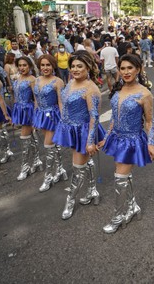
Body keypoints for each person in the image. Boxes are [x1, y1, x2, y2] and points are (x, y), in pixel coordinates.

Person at [98, 54, 154, 234]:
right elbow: (114, 119)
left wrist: (151, 142)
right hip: (117, 138)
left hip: (132, 140)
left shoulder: (145, 93)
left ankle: (118, 217)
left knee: (119, 178)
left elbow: (149, 121)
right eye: (122, 68)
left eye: (130, 68)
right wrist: (107, 137)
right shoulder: (117, 90)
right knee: (123, 177)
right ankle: (132, 207)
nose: (125, 72)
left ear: (138, 69)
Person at [52, 51, 106, 220]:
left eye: (79, 66)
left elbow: (94, 117)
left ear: (88, 67)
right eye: (73, 66)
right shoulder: (70, 82)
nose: (75, 69)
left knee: (77, 168)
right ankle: (92, 190)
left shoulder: (91, 89)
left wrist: (90, 142)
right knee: (83, 163)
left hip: (84, 132)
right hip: (71, 129)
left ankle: (70, 200)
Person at [33, 54, 68, 192]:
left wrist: (64, 119)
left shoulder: (58, 81)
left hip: (53, 116)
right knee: (52, 146)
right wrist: (35, 117)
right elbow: (36, 100)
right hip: (41, 115)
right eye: (42, 65)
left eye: (48, 65)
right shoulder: (36, 80)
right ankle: (60, 170)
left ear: (53, 66)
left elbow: (61, 102)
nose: (45, 68)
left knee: (48, 146)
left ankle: (48, 178)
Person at [12, 56, 43, 181]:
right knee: (31, 137)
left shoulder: (32, 80)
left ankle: (25, 168)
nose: (22, 68)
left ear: (30, 66)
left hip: (29, 110)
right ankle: (36, 161)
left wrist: (36, 117)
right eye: (19, 65)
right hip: (19, 110)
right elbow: (15, 97)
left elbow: (37, 100)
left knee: (25, 138)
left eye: (24, 65)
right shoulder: (17, 79)